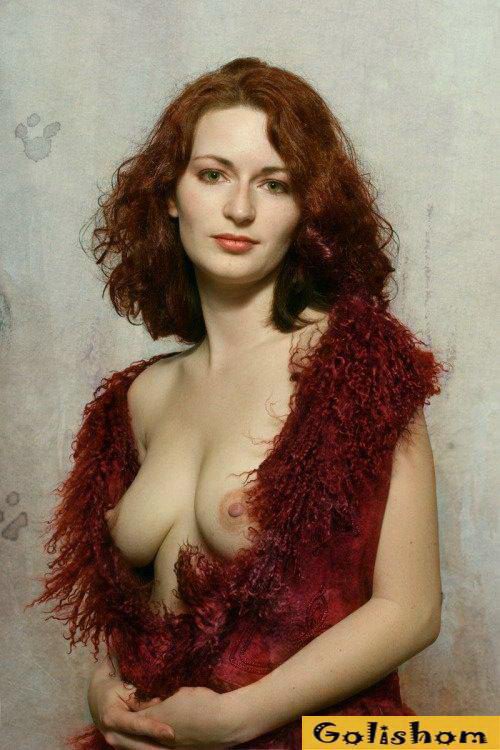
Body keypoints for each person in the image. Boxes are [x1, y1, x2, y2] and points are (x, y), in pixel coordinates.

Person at [27, 57, 448, 750]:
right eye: (213, 174)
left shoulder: (355, 364)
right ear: (171, 193)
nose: (241, 209)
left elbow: (412, 609)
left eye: (274, 183)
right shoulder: (139, 397)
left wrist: (243, 717)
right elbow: (132, 606)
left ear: (308, 207)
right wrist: (103, 685)